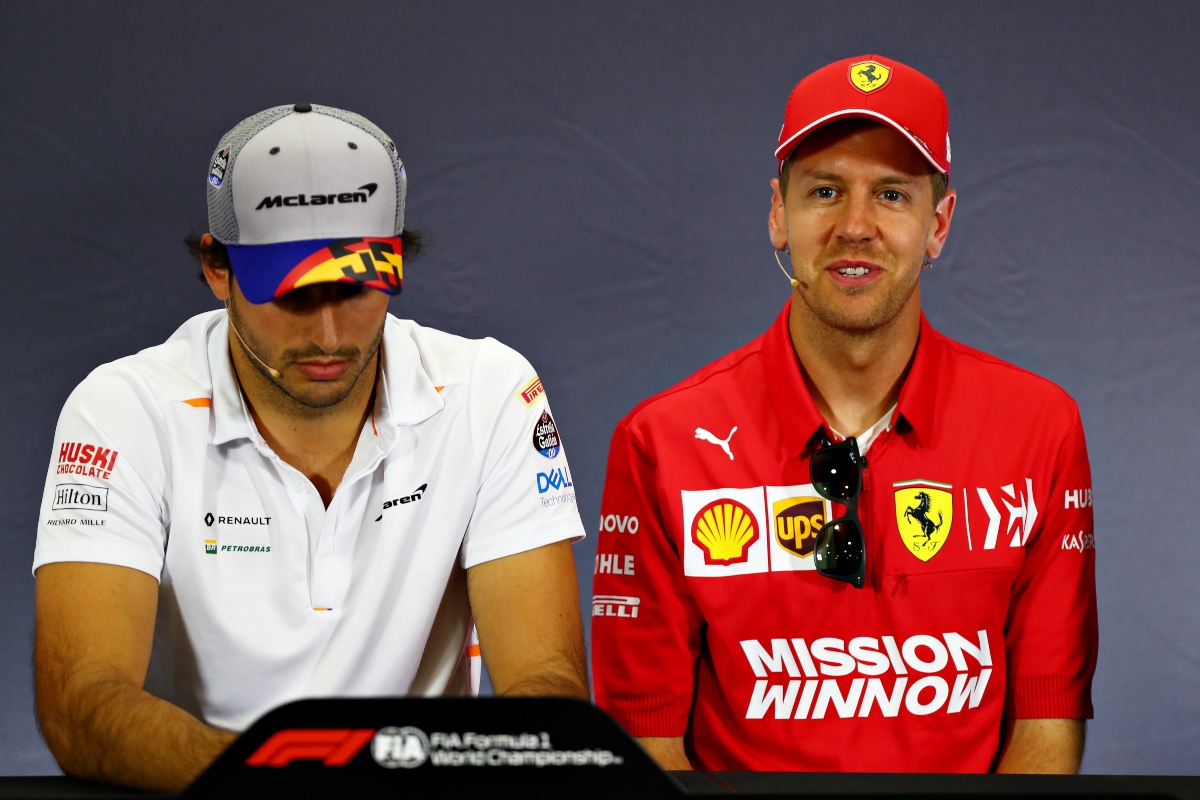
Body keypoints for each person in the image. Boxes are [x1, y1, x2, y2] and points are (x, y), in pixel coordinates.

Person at [33, 103, 589, 792]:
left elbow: (548, 687)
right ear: (217, 268)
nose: (329, 335)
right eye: (293, 293)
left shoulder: (491, 392)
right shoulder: (123, 409)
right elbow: (80, 701)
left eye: (356, 285)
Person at [591, 55, 1097, 773]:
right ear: (778, 213)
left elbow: (1047, 730)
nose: (854, 226)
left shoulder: (1039, 428)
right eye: (825, 191)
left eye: (891, 195)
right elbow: (647, 749)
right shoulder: (663, 441)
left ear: (939, 224)